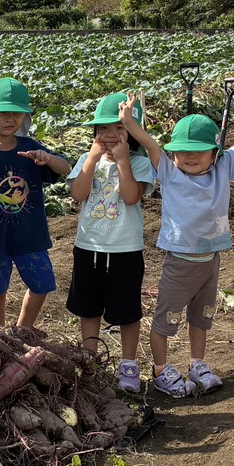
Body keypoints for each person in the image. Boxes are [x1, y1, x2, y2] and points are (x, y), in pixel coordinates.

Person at [120, 98, 234, 398]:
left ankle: (198, 364)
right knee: (166, 320)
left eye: (198, 151)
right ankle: (161, 370)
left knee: (202, 317)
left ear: (215, 154)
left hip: (211, 261)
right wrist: (130, 121)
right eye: (182, 150)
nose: (188, 156)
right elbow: (149, 144)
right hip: (180, 263)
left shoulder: (222, 169)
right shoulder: (170, 174)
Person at [66, 92, 157, 392]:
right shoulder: (85, 159)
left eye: (120, 129)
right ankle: (90, 360)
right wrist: (91, 159)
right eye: (103, 129)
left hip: (124, 250)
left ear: (132, 133)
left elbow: (131, 197)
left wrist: (122, 163)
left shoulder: (139, 164)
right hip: (88, 247)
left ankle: (128, 365)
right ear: (94, 133)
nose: (110, 135)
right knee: (89, 308)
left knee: (127, 311)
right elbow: (78, 194)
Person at [0, 77, 70, 329]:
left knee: (42, 285)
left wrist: (47, 158)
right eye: (3, 112)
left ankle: (22, 331)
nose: (10, 119)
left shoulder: (30, 148)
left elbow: (64, 167)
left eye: (17, 114)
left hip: (31, 235)